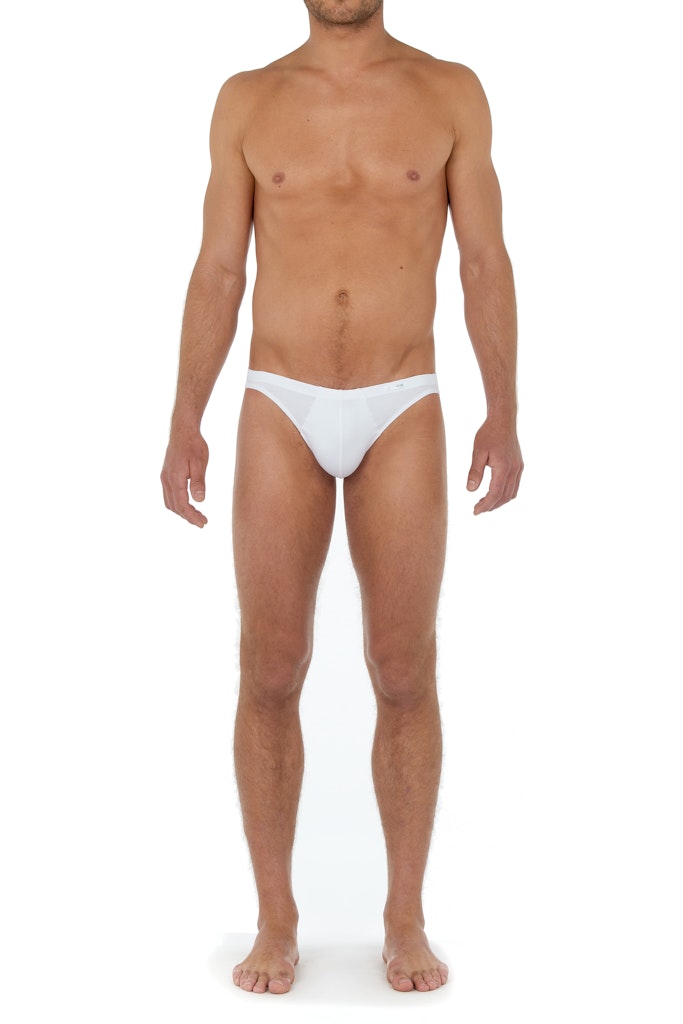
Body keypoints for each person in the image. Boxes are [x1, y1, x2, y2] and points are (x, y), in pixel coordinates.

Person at [160, 0, 523, 996]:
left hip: (401, 398)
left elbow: (483, 260)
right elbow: (218, 269)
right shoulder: (248, 99)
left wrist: (502, 411)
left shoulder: (449, 92)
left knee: (403, 670)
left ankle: (403, 915)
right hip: (278, 397)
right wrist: (185, 415)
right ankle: (275, 917)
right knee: (269, 667)